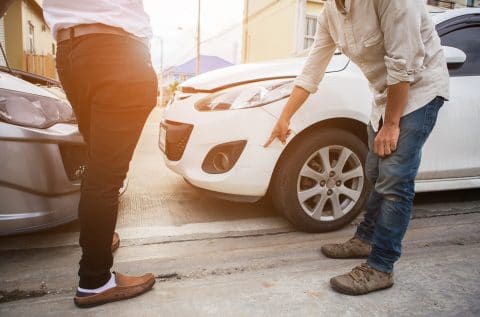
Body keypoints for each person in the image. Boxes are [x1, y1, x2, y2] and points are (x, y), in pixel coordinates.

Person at [265, 0, 449, 295]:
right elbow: (312, 70)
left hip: (419, 89)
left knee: (394, 180)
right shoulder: (329, 13)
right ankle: (366, 239)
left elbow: (404, 65)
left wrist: (391, 125)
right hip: (385, 94)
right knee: (374, 172)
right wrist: (285, 117)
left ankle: (381, 266)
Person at [43, 0, 157, 308]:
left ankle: (99, 241)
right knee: (105, 174)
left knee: (97, 164)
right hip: (116, 50)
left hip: (70, 54)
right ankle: (95, 280)